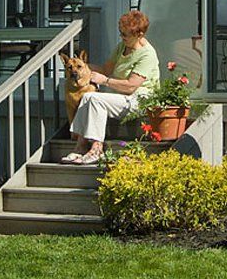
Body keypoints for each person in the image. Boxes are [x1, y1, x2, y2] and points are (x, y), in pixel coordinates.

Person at [62, 10, 159, 164]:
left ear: (139, 34)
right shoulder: (123, 47)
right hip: (121, 98)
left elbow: (131, 86)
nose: (122, 37)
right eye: (121, 33)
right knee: (88, 96)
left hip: (140, 100)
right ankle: (80, 146)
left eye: (125, 34)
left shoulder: (147, 54)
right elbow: (106, 69)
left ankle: (96, 149)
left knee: (94, 98)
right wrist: (82, 68)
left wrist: (105, 81)